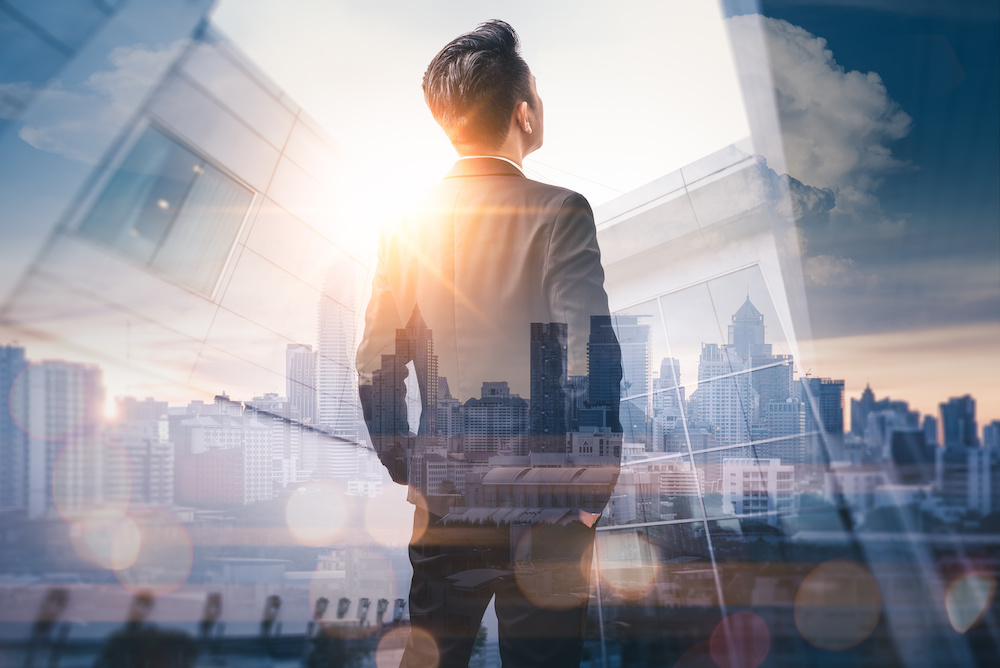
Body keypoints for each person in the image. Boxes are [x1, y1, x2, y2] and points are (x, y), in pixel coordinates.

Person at [356, 20, 621, 668]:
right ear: (522, 111)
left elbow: (375, 362)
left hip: (444, 500)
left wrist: (410, 467)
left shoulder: (404, 224)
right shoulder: (560, 211)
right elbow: (592, 353)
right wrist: (589, 496)